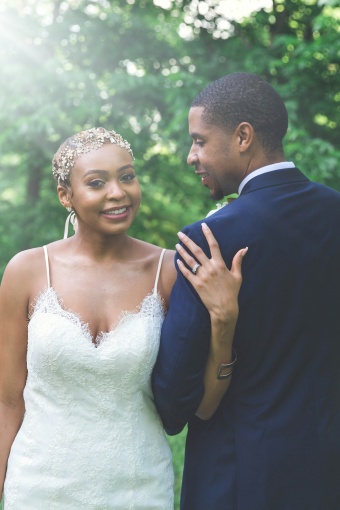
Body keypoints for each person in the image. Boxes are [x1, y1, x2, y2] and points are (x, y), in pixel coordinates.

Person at [0, 127, 246, 509]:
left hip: (138, 489)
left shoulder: (170, 270)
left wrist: (225, 319)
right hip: (38, 487)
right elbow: (7, 402)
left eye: (127, 177)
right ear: (66, 195)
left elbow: (203, 405)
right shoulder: (27, 271)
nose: (118, 192)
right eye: (97, 182)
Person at [152, 73, 340, 510]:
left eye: (199, 141)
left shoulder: (209, 240)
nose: (190, 156)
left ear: (243, 136)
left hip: (237, 481)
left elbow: (173, 400)